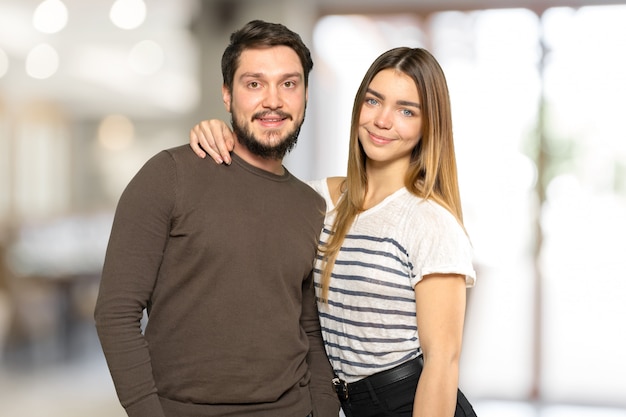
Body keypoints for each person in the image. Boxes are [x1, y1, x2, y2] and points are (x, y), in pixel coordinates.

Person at [189, 47, 478, 417]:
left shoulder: (430, 221)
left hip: (412, 402)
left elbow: (442, 362)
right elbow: (244, 192)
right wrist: (214, 133)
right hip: (350, 404)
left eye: (407, 110)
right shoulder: (318, 200)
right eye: (374, 101)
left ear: (429, 126)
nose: (383, 120)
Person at [94, 20, 340, 417]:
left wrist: (323, 411)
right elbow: (115, 313)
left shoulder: (310, 205)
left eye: (289, 84)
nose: (273, 100)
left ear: (306, 95)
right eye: (254, 83)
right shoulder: (169, 175)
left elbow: (310, 329)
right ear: (227, 94)